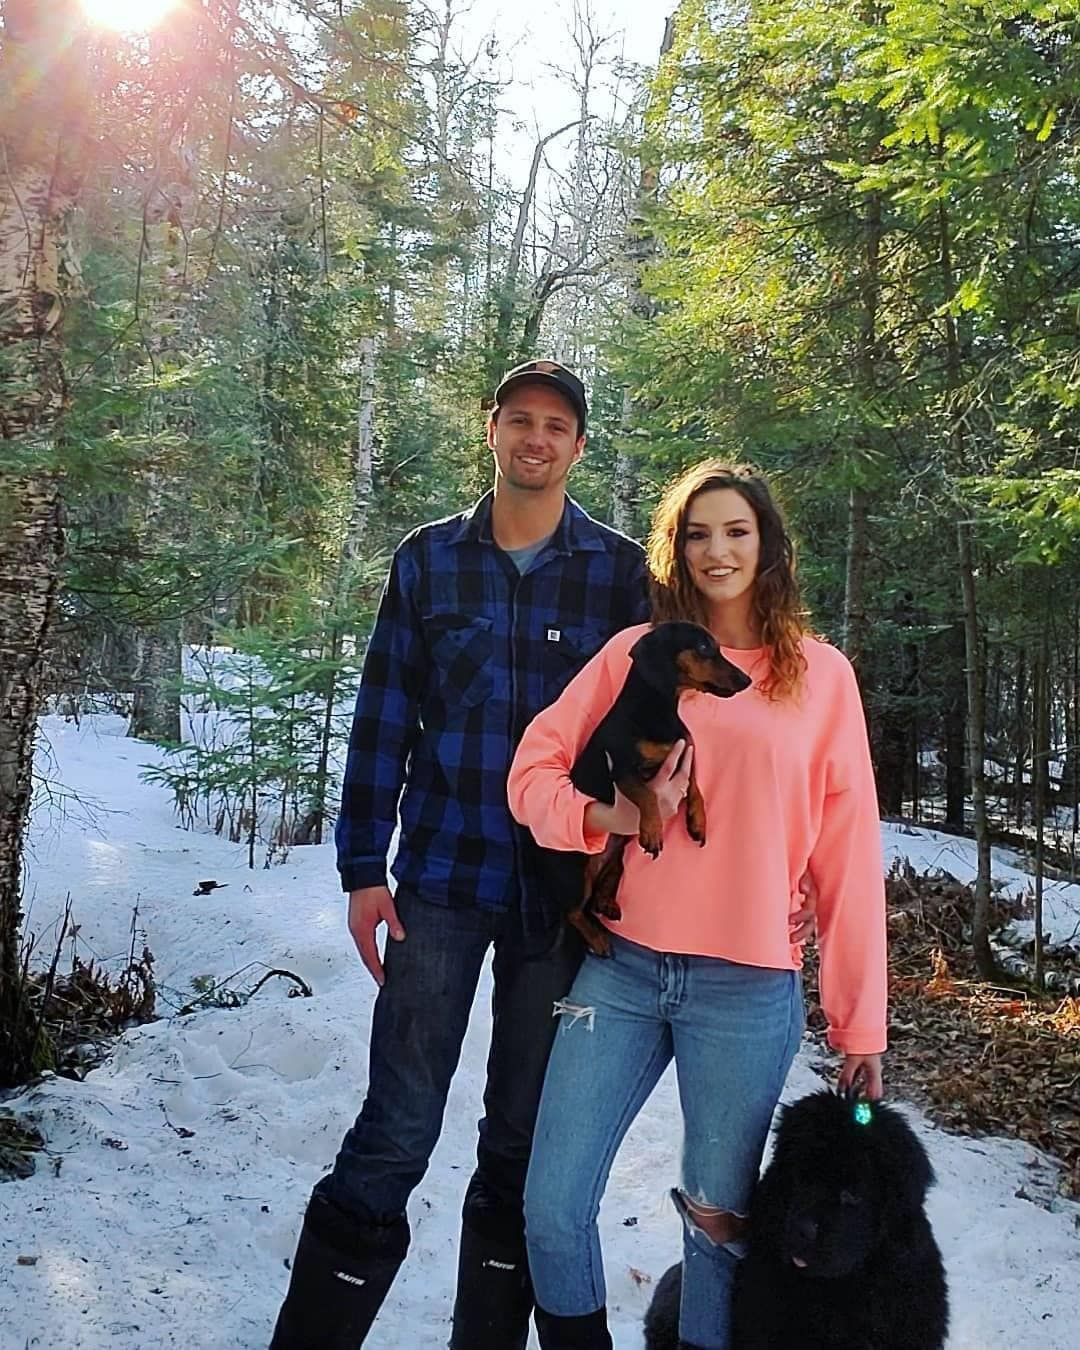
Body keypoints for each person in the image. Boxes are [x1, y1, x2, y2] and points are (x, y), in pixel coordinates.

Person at [269, 360, 652, 1350]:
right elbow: (384, 716)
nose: (536, 438)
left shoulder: (617, 573)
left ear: (578, 444)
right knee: (395, 1130)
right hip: (439, 882)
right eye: (519, 419)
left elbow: (654, 727)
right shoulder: (428, 560)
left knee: (521, 1141)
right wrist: (363, 869)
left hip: (559, 901)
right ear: (490, 429)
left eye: (556, 425)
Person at [507, 461, 888, 1350]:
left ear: (769, 545)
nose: (718, 551)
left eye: (737, 531)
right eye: (698, 534)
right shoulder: (633, 654)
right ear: (676, 550)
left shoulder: (821, 678)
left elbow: (848, 853)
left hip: (747, 989)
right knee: (551, 1204)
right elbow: (530, 774)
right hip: (623, 971)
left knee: (717, 1227)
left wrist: (858, 1024)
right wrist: (603, 814)